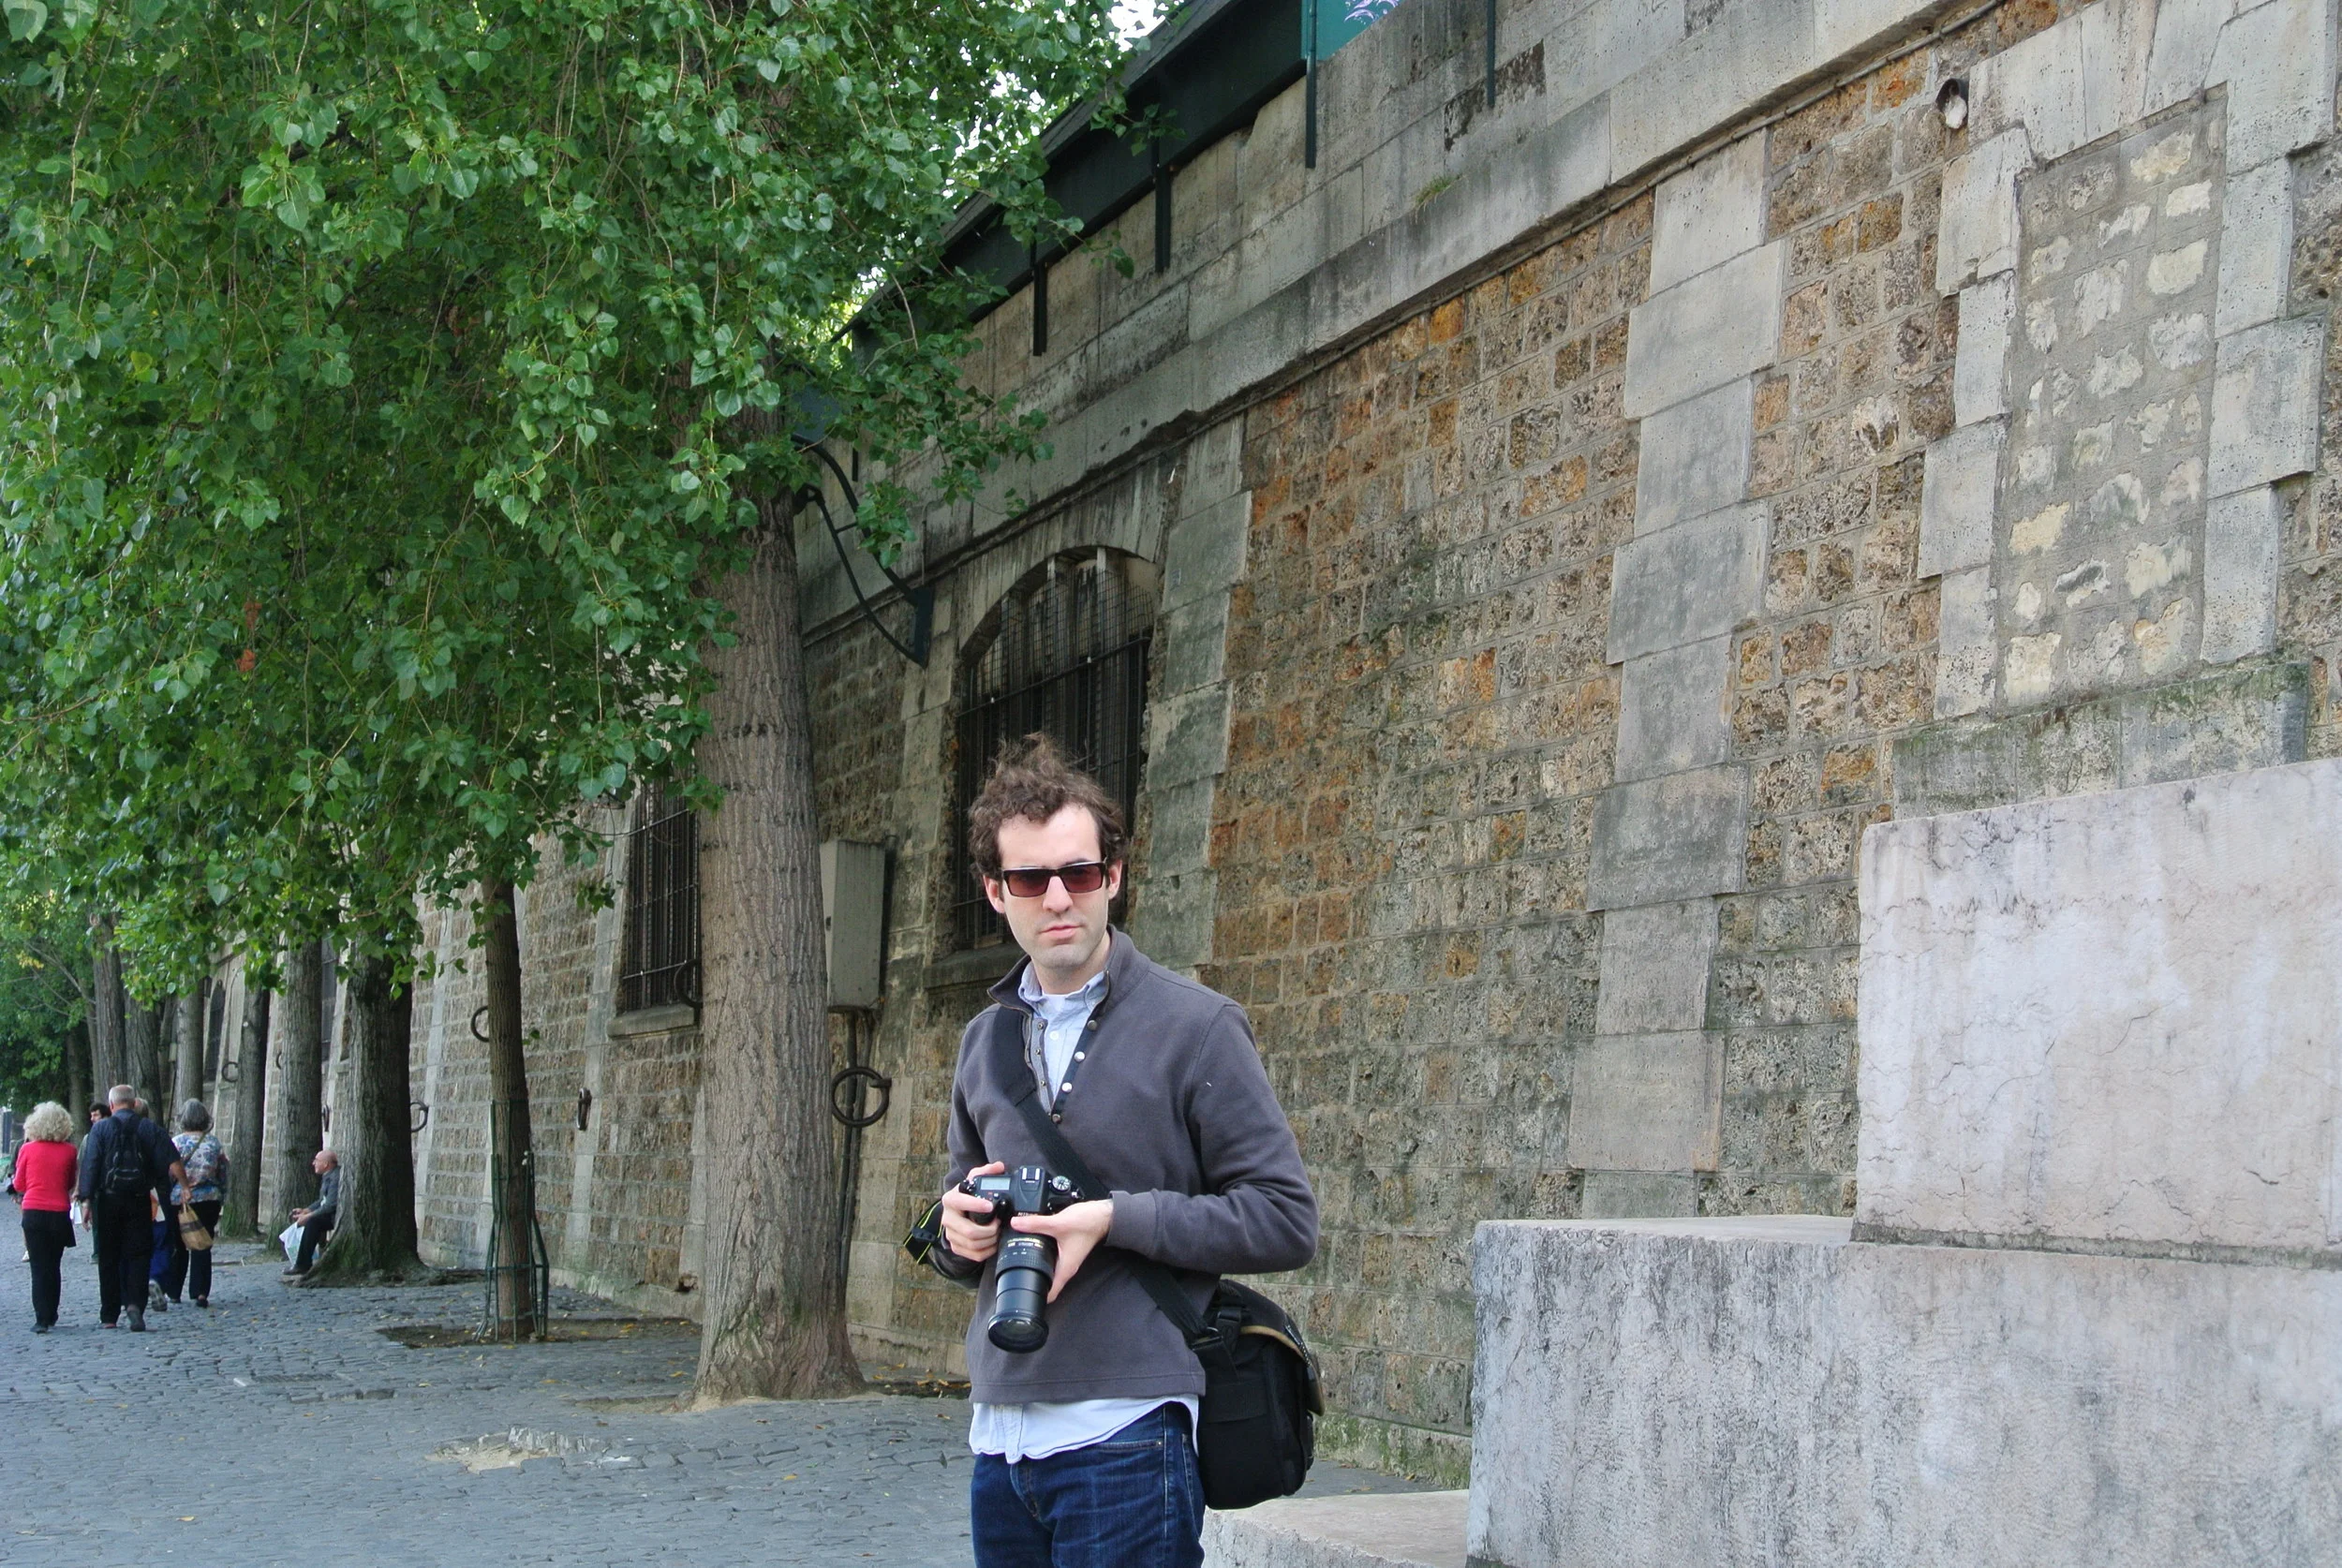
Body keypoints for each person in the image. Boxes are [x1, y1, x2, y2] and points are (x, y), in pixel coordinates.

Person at [929, 736, 1318, 1568]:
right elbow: (958, 1205)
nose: (1058, 897)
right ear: (998, 894)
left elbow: (1286, 1220)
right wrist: (956, 1234)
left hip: (1128, 1438)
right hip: (1000, 1443)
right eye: (1031, 880)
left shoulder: (1198, 1027)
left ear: (1113, 875)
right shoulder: (985, 1040)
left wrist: (1112, 1219)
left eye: (1079, 872)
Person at [75, 1086, 189, 1331]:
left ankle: (109, 1314)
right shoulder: (149, 1128)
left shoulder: (101, 1130)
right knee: (139, 1255)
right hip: (139, 1199)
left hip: (108, 1199)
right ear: (135, 1103)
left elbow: (91, 1165)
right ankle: (135, 1306)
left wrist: (86, 1201)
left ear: (112, 1105)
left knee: (109, 1256)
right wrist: (184, 1185)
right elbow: (172, 1159)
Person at [10, 1102, 80, 1332]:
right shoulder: (70, 1151)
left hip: (33, 1212)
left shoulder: (27, 1150)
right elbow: (70, 1183)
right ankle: (52, 1313)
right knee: (54, 1265)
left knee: (38, 1267)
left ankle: (41, 1318)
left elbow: (19, 1183)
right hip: (58, 1212)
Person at [160, 1100, 224, 1309]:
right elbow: (223, 1172)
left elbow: (168, 1173)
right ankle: (200, 1292)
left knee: (178, 1245)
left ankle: (174, 1290)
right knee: (202, 1243)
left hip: (180, 1199)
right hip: (208, 1198)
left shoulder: (175, 1143)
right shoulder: (214, 1143)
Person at [286, 1148, 338, 1277]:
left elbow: (330, 1205)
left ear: (326, 1164)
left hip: (336, 1216)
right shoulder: (328, 1176)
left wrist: (308, 1216)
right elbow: (322, 1201)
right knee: (310, 1220)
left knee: (312, 1222)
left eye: (317, 1160)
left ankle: (303, 1264)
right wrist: (306, 1210)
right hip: (329, 1214)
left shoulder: (335, 1178)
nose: (313, 1163)